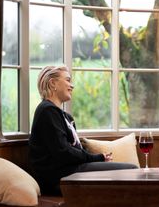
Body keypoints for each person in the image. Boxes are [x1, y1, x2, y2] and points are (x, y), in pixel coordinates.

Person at [29, 65, 137, 194]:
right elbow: (63, 152)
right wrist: (97, 158)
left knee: (129, 171)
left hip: (73, 171)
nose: (72, 85)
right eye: (68, 80)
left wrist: (98, 158)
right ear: (53, 83)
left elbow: (75, 150)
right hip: (60, 178)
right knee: (131, 170)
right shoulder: (47, 111)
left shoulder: (65, 116)